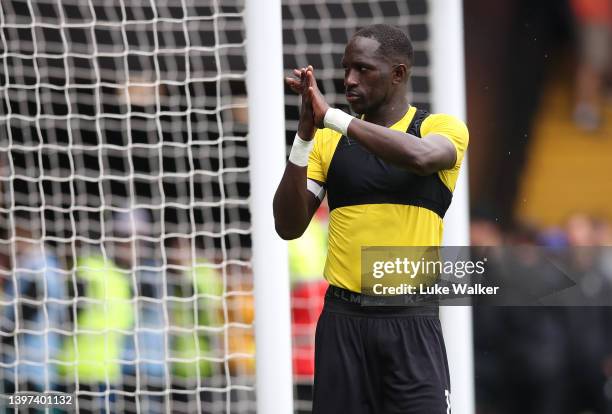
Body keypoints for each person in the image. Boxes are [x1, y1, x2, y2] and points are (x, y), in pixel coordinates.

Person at [273, 24, 469, 413]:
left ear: (398, 73)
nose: (349, 79)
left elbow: (421, 158)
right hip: (343, 321)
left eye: (363, 69)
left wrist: (332, 116)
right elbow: (288, 225)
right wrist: (304, 135)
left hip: (411, 321)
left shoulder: (439, 129)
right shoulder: (328, 142)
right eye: (347, 69)